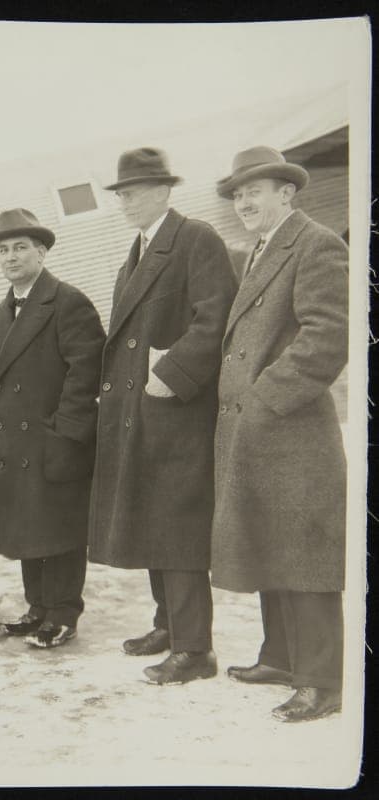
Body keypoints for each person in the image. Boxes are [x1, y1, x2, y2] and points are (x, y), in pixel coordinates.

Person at [88, 148, 237, 684]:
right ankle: (169, 626)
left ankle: (195, 650)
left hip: (175, 409)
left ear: (162, 191)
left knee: (177, 526)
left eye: (132, 192)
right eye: (122, 193)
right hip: (140, 412)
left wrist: (170, 375)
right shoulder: (140, 248)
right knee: (153, 516)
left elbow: (215, 317)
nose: (124, 201)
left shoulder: (195, 238)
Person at [212, 147, 348, 722]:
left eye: (256, 191)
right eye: (238, 194)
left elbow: (329, 336)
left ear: (287, 194)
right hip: (254, 434)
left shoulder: (316, 243)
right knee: (269, 541)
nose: (244, 202)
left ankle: (321, 681)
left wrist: (267, 397)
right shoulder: (258, 251)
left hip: (291, 434)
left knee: (306, 554)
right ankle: (281, 657)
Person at [0, 210, 105, 648]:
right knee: (27, 528)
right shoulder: (2, 311)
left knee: (60, 530)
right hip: (14, 443)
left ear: (42, 251)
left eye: (20, 247)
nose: (10, 257)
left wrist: (65, 431)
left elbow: (87, 371)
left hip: (52, 440)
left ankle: (63, 613)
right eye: (3, 250)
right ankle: (38, 608)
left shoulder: (67, 301)